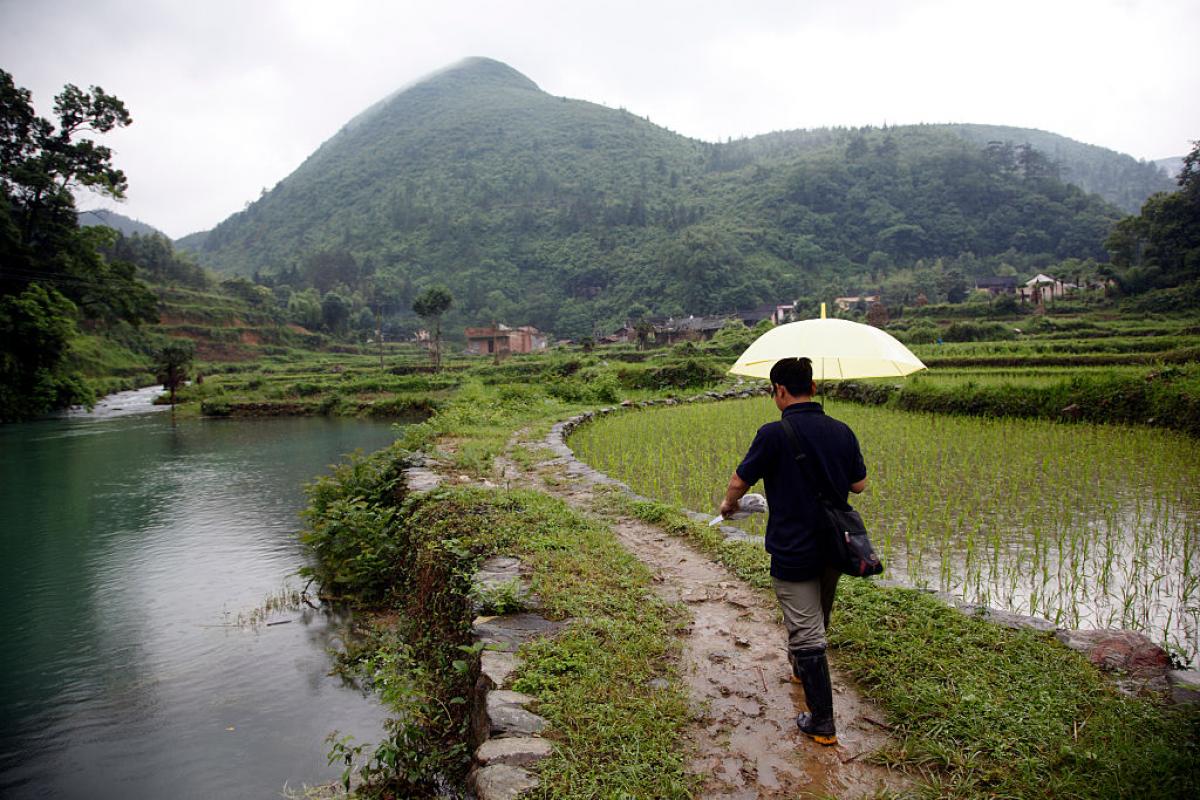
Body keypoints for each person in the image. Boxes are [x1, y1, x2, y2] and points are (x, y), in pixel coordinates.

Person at [718, 356, 867, 746]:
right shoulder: (842, 430)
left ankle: (822, 723)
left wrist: (728, 507)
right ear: (813, 388)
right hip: (835, 546)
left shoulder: (773, 434)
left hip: (793, 547)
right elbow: (859, 485)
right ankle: (803, 669)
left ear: (780, 391)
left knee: (806, 630)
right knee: (819, 611)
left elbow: (739, 480)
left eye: (773, 392)